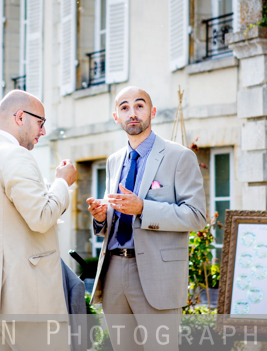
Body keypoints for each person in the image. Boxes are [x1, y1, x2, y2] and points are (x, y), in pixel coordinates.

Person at [86, 87, 207, 351]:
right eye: (125, 107)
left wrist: (143, 208)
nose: (132, 113)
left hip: (156, 275)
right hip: (114, 271)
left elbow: (197, 216)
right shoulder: (114, 160)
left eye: (139, 106)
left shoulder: (180, 156)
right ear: (116, 116)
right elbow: (116, 215)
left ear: (151, 112)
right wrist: (101, 218)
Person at [0, 90, 77, 351]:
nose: (43, 131)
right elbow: (40, 217)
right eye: (40, 122)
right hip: (28, 296)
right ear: (19, 117)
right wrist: (62, 183)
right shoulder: (15, 155)